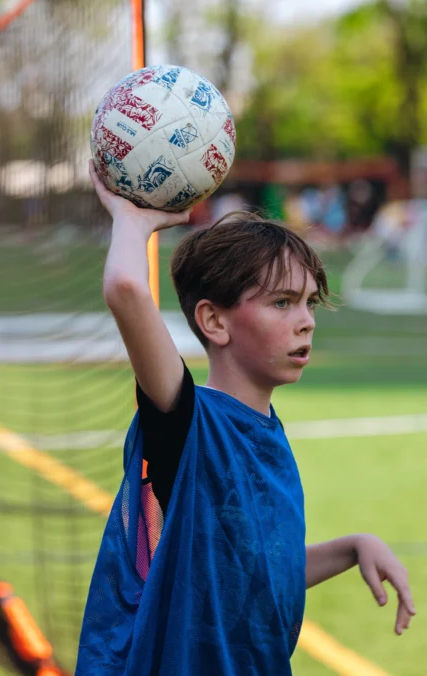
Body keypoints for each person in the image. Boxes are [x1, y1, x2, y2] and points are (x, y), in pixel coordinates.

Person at [76, 161, 415, 676]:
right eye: (282, 303)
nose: (305, 321)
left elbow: (255, 574)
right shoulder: (188, 423)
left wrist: (352, 547)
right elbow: (125, 287)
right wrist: (132, 217)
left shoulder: (266, 432)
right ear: (214, 321)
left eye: (309, 303)